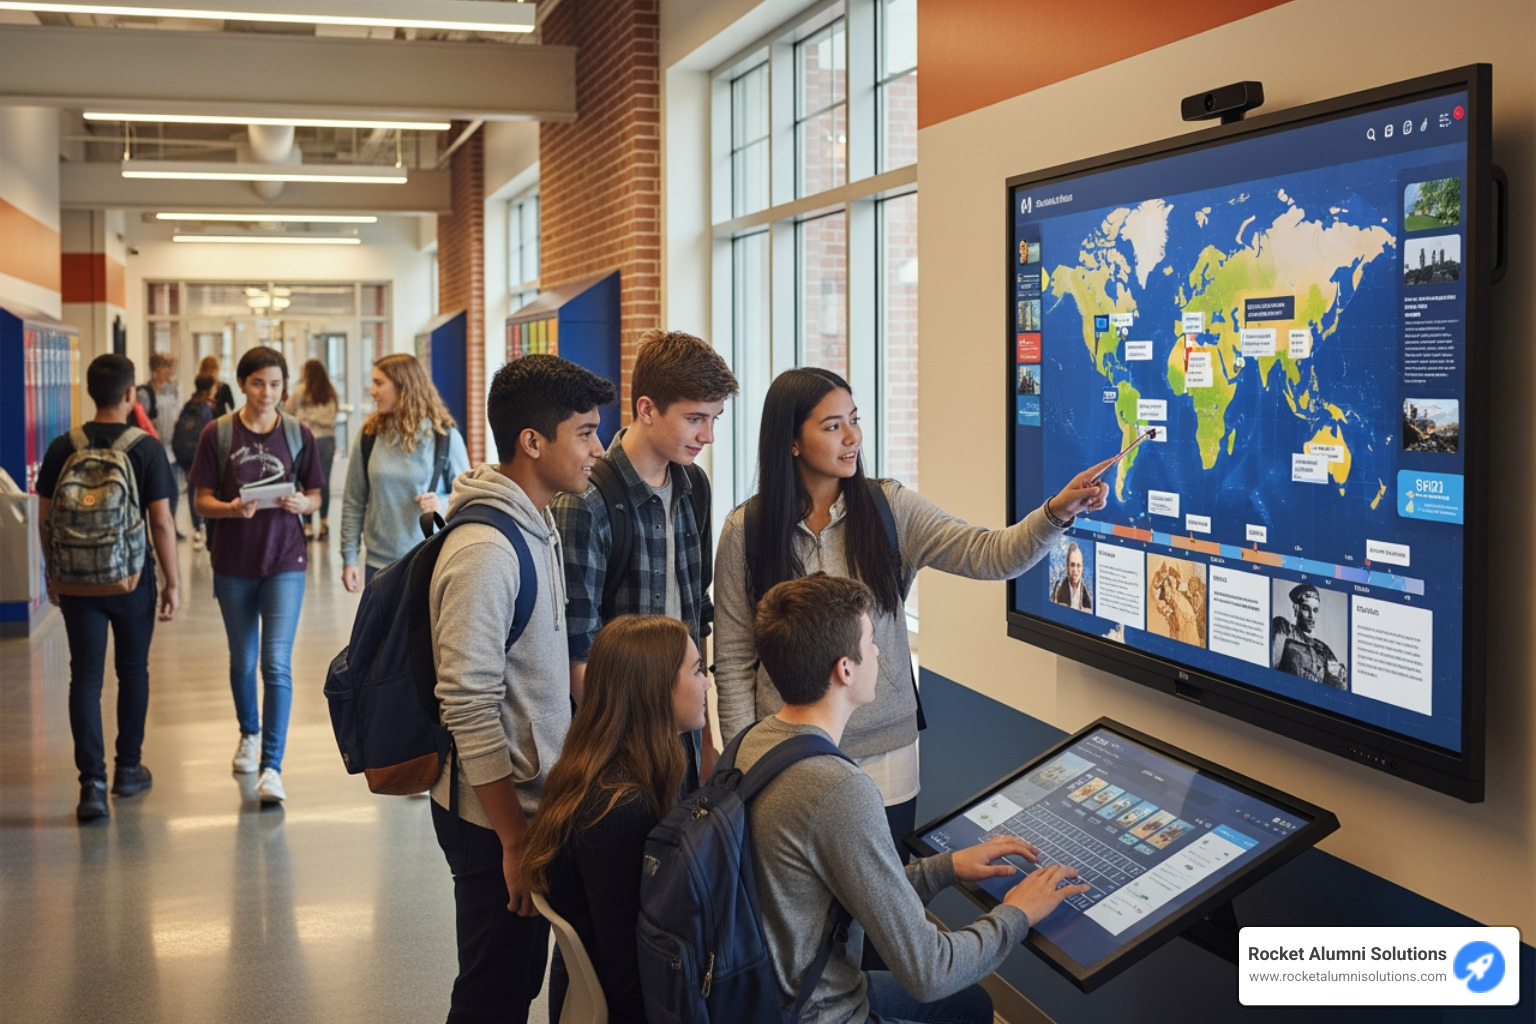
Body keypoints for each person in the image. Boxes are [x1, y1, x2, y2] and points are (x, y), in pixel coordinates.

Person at [715, 366, 1110, 856]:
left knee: (887, 908)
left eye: (854, 420)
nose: (852, 437)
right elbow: (733, 659)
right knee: (802, 916)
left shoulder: (889, 508)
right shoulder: (746, 531)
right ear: (791, 441)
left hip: (885, 757)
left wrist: (1056, 513)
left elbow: (990, 553)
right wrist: (742, 761)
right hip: (785, 757)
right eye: (832, 425)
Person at [739, 573, 1088, 1024]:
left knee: (973, 1005)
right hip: (819, 1011)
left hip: (768, 991)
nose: (880, 650)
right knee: (959, 997)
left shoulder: (755, 741)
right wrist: (1017, 914)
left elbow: (857, 888)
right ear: (845, 669)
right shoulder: (838, 790)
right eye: (870, 639)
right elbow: (930, 971)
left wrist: (947, 867)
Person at [429, 354, 615, 1024]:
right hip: (492, 816)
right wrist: (512, 838)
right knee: (493, 994)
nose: (598, 448)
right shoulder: (487, 549)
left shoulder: (536, 520)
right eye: (587, 432)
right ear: (533, 442)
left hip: (528, 804)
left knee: (513, 984)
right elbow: (467, 704)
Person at [551, 328, 738, 787]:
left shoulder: (695, 487)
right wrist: (625, 755)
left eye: (714, 419)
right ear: (647, 409)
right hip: (621, 753)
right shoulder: (585, 502)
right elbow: (579, 652)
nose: (708, 436)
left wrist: (707, 738)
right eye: (696, 418)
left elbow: (699, 615)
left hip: (685, 743)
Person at [521, 615, 710, 1024]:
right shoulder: (617, 812)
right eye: (697, 671)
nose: (707, 683)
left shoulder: (607, 774)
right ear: (656, 689)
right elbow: (626, 974)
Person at [35, 354, 181, 822]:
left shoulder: (62, 446)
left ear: (88, 390)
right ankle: (129, 770)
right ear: (129, 394)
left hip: (76, 582)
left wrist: (52, 573)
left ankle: (91, 785)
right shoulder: (145, 448)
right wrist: (173, 581)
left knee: (86, 676)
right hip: (130, 579)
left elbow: (45, 519)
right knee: (133, 670)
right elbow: (161, 522)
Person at [189, 346, 324, 806]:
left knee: (276, 663)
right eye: (258, 383)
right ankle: (249, 732)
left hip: (285, 561)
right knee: (242, 661)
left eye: (275, 383)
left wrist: (304, 504)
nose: (267, 393)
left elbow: (315, 493)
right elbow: (200, 499)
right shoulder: (218, 433)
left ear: (285, 386)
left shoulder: (297, 433)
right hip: (233, 562)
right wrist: (229, 509)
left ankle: (272, 766)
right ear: (243, 384)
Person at [341, 353, 469, 591]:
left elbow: (468, 499)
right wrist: (349, 557)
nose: (372, 391)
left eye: (379, 383)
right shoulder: (369, 435)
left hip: (428, 562)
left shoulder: (444, 437)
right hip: (378, 566)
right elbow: (353, 500)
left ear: (404, 387)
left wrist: (441, 502)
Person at [287, 359, 340, 541]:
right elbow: (335, 413)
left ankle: (308, 525)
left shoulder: (301, 392)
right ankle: (325, 522)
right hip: (327, 440)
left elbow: (288, 412)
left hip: (307, 439)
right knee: (323, 483)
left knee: (307, 482)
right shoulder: (331, 393)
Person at [136, 352, 182, 531]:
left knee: (174, 493)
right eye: (165, 366)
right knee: (155, 494)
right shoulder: (145, 393)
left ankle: (171, 525)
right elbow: (142, 420)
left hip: (172, 448)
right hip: (155, 449)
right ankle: (156, 527)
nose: (169, 371)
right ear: (156, 369)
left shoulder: (173, 390)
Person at [1270, 583, 1347, 689]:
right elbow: (1270, 669)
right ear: (1296, 609)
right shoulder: (1284, 628)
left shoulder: (1323, 649)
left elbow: (1339, 688)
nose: (1311, 616)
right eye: (1306, 609)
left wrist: (1339, 676)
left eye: (1315, 610)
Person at [1051, 541, 1092, 611]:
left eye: (1078, 565)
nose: (1075, 570)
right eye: (1072, 565)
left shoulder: (1089, 597)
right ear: (1067, 566)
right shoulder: (1058, 590)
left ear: (1082, 568)